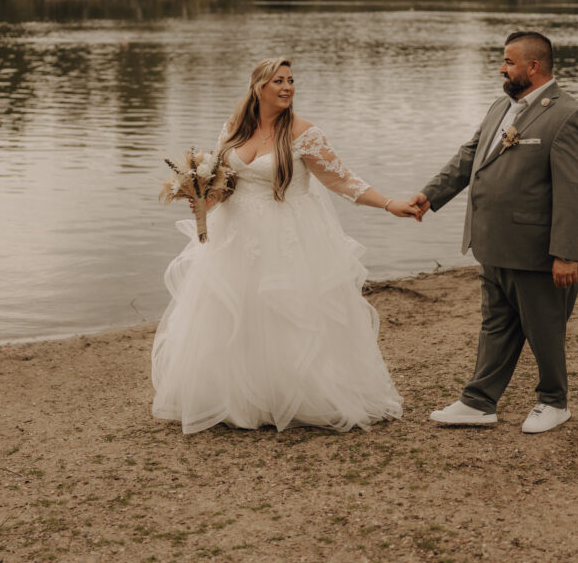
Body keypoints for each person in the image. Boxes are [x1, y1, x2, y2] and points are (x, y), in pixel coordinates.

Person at [151, 58, 418, 434]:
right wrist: (201, 199)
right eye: (279, 81)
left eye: (291, 81)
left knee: (284, 316)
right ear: (259, 86)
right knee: (234, 313)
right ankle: (236, 399)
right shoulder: (233, 129)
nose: (288, 87)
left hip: (285, 237)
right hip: (234, 236)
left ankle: (293, 398)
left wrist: (390, 204)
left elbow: (343, 181)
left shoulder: (304, 134)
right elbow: (226, 185)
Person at [411, 31, 578, 434]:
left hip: (538, 250)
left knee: (544, 328)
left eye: (509, 61)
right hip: (492, 243)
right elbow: (469, 155)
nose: (501, 68)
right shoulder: (501, 107)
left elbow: (573, 191)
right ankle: (479, 402)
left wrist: (566, 253)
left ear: (534, 66)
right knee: (495, 323)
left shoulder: (568, 115)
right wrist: (431, 194)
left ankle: (553, 401)